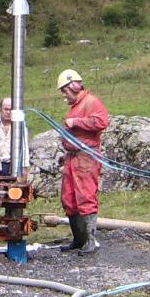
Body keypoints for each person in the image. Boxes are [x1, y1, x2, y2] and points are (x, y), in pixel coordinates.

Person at [56, 69, 110, 253]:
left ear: (72, 86)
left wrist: (76, 122)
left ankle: (90, 241)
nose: (64, 95)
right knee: (69, 199)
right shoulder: (75, 106)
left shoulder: (91, 102)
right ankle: (78, 240)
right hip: (72, 158)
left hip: (87, 157)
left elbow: (101, 122)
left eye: (64, 91)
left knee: (85, 197)